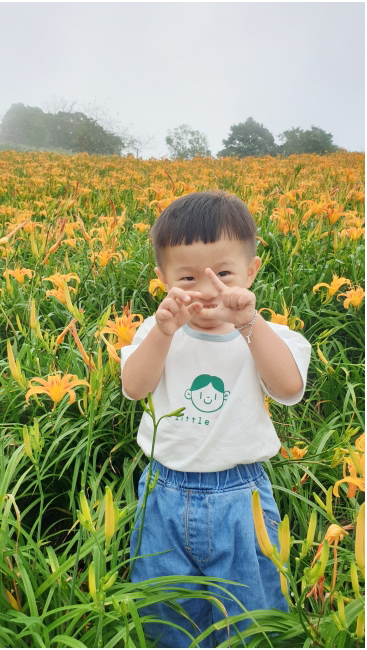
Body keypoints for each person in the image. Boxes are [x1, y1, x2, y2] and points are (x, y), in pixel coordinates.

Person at [120, 191, 311, 647]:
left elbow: (288, 390)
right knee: (164, 614)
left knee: (252, 614)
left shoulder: (271, 335)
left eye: (223, 274)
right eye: (187, 277)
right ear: (161, 279)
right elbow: (134, 388)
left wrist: (250, 324)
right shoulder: (156, 331)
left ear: (252, 271)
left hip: (242, 497)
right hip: (162, 494)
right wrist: (163, 333)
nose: (207, 293)